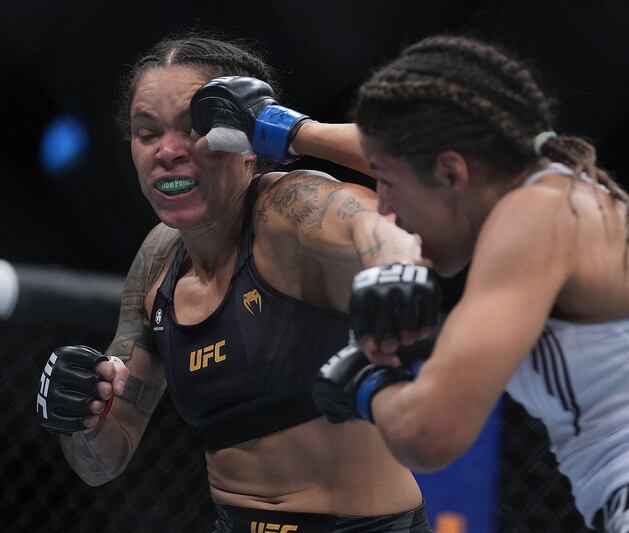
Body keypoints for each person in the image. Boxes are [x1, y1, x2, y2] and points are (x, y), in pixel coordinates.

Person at [311, 35, 629, 532]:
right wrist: (289, 132)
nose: (386, 206)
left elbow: (430, 432)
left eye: (386, 182)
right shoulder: (546, 199)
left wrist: (369, 382)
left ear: (452, 173)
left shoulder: (538, 218)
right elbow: (401, 153)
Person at [34, 34, 432, 533]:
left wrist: (292, 131)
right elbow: (103, 462)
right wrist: (82, 416)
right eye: (147, 132)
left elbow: (404, 201)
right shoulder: (158, 259)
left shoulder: (292, 213)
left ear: (246, 144)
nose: (169, 152)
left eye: (195, 128)